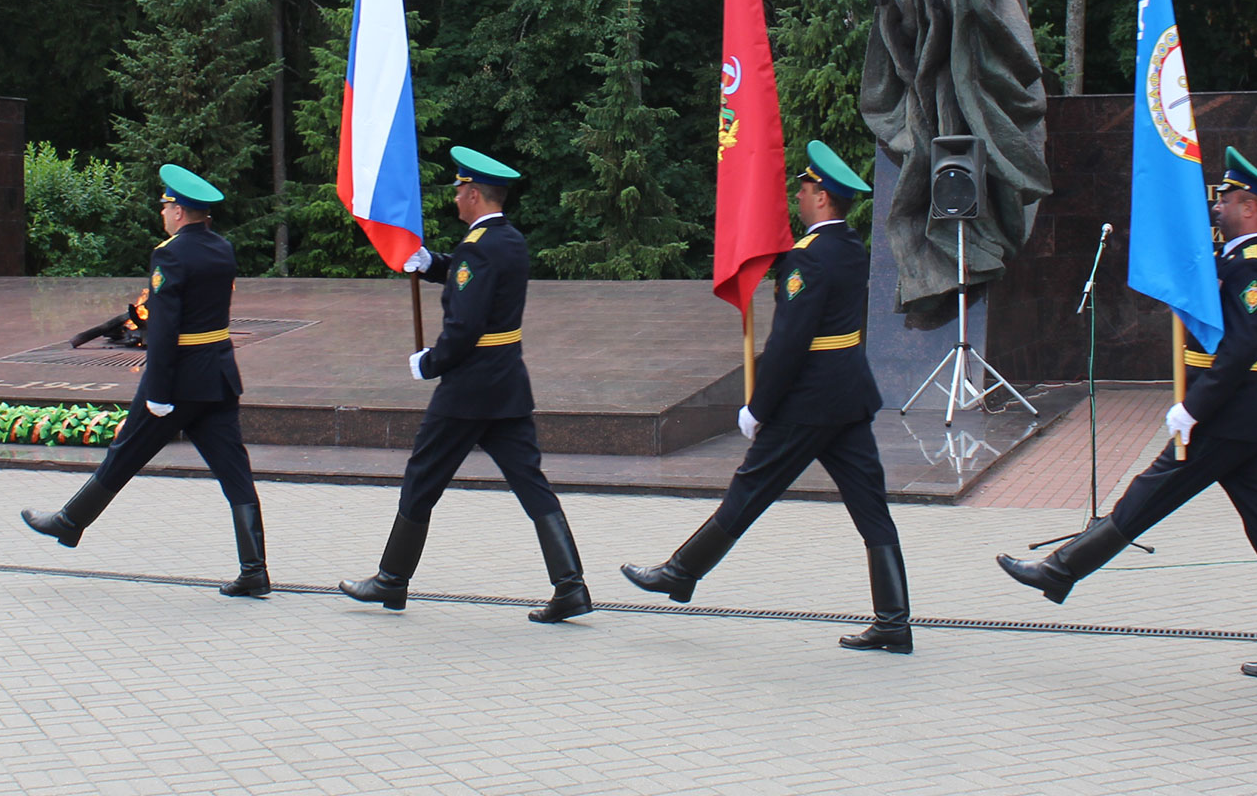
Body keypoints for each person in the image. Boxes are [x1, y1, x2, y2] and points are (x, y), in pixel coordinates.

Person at [996, 146, 1257, 680]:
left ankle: (1060, 570)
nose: (1217, 206)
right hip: (1244, 423)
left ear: (1251, 207)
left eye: (1226, 199)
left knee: (1145, 497)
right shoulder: (1236, 261)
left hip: (1227, 420)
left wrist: (1193, 408)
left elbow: (1241, 350)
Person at [621, 141, 911, 653]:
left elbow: (789, 343)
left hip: (809, 402)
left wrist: (758, 407)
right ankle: (894, 621)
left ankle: (680, 572)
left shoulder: (808, 259)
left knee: (750, 489)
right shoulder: (850, 246)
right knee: (871, 507)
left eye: (804, 189)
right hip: (849, 396)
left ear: (822, 197)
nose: (798, 197)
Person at [339, 146, 592, 624]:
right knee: (531, 484)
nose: (455, 198)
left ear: (474, 194)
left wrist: (431, 363)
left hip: (468, 390)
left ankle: (391, 580)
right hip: (506, 385)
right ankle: (571, 586)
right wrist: (428, 262)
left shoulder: (477, 248)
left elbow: (466, 323)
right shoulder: (508, 240)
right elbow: (468, 278)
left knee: (422, 477)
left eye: (459, 191)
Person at [22, 164, 270, 599]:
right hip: (218, 375)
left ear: (179, 211)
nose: (163, 213)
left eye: (166, 206)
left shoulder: (170, 254)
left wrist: (157, 391)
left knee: (126, 451)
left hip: (178, 381)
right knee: (234, 470)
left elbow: (165, 327)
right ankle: (254, 570)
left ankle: (70, 521)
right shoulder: (222, 248)